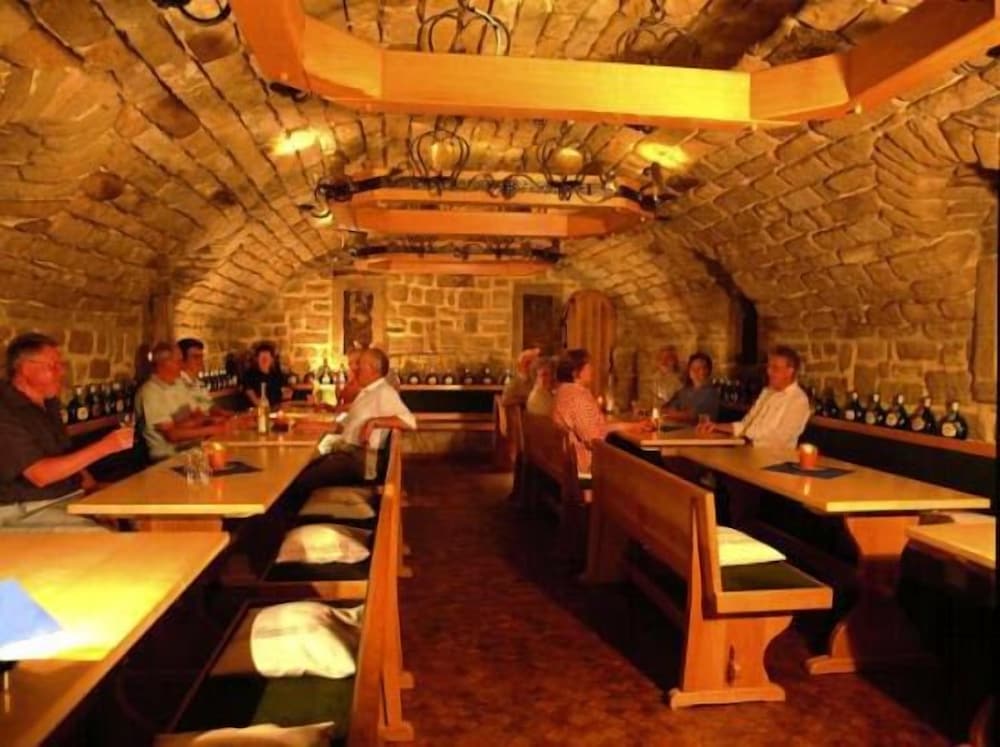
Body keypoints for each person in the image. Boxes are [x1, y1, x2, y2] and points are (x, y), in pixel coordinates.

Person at [0, 333, 134, 531]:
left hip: (66, 498)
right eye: (53, 365)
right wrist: (108, 446)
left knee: (136, 513)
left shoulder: (49, 404)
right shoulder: (5, 409)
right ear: (26, 368)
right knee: (102, 539)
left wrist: (94, 489)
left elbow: (65, 455)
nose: (61, 371)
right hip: (26, 510)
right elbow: (41, 475)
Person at [291, 348, 416, 491]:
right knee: (301, 468)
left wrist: (374, 422)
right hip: (348, 455)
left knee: (301, 480)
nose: (355, 369)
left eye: (360, 365)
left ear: (374, 370)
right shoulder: (367, 392)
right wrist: (306, 425)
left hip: (361, 463)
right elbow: (341, 427)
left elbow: (410, 422)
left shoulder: (384, 392)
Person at [552, 349, 647, 474]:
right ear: (576, 373)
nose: (592, 370)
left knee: (636, 452)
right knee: (644, 459)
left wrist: (630, 426)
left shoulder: (564, 391)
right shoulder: (577, 398)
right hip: (587, 464)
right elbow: (593, 440)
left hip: (572, 460)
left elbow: (596, 429)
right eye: (588, 367)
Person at [696, 346, 810, 449]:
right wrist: (716, 427)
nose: (769, 372)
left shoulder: (798, 400)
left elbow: (780, 439)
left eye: (775, 368)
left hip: (773, 459)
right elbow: (745, 425)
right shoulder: (767, 392)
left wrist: (744, 442)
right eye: (768, 367)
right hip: (748, 451)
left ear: (790, 371)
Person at [135, 342, 229, 462]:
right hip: (167, 459)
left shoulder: (179, 384)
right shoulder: (150, 392)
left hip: (194, 450)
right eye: (178, 361)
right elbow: (172, 435)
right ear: (164, 363)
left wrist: (183, 424)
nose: (183, 365)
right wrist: (216, 428)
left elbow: (198, 415)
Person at [178, 337, 232, 418]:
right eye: (195, 357)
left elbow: (209, 406)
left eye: (201, 357)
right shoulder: (179, 384)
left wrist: (230, 415)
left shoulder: (199, 383)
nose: (201, 361)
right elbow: (191, 416)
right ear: (182, 360)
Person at [662, 352, 720, 424]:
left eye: (700, 368)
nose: (695, 371)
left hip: (701, 430)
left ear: (708, 371)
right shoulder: (684, 392)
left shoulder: (711, 393)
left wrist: (674, 414)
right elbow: (665, 409)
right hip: (680, 429)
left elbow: (692, 416)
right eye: (693, 368)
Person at [243, 342, 284, 410]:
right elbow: (255, 400)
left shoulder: (276, 375)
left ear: (272, 359)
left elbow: (284, 395)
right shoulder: (249, 376)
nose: (265, 361)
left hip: (276, 411)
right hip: (256, 412)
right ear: (256, 359)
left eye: (267, 358)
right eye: (262, 358)